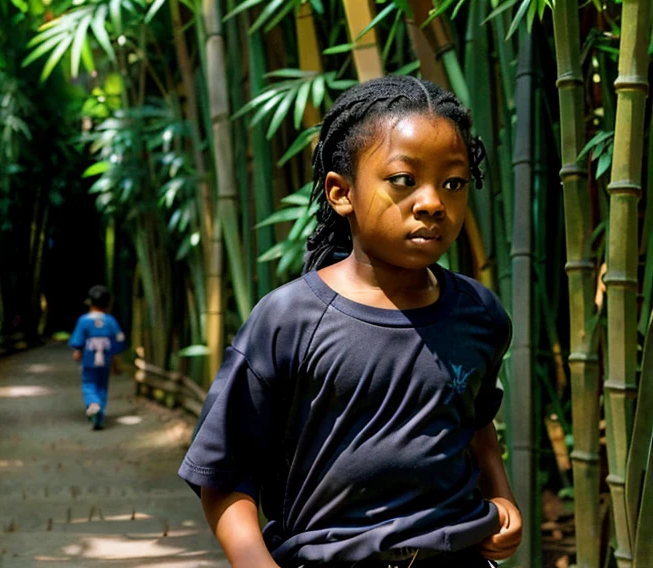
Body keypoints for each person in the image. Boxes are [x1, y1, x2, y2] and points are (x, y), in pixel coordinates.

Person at [178, 76, 521, 568]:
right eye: (404, 180)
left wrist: (502, 498)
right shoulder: (289, 320)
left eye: (453, 183)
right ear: (341, 193)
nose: (432, 202)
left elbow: (475, 423)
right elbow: (223, 473)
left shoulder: (479, 315)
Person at [69, 285, 126, 430]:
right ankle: (98, 418)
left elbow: (78, 343)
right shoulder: (110, 321)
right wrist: (115, 363)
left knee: (89, 384)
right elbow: (118, 341)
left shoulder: (84, 320)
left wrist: (78, 353)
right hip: (105, 360)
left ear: (90, 302)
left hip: (89, 361)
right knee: (102, 386)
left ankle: (93, 404)